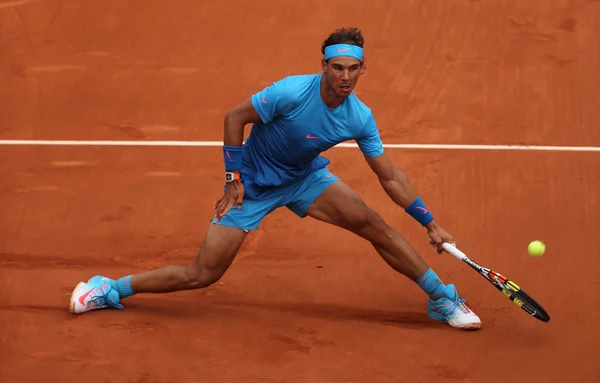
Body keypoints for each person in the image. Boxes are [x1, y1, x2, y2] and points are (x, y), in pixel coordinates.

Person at [69, 27, 481, 330]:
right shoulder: (290, 92)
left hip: (304, 179)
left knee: (373, 224)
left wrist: (430, 222)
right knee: (203, 274)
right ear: (323, 66)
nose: (345, 77)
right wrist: (233, 177)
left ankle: (441, 297)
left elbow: (389, 175)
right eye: (337, 67)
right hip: (252, 185)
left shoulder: (359, 117)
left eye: (353, 69)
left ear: (362, 69)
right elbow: (235, 118)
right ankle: (111, 288)